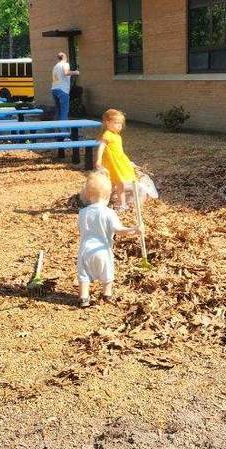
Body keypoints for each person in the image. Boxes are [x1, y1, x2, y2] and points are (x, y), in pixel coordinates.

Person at [76, 171, 139, 307]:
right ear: (108, 195)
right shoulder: (109, 213)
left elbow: (81, 230)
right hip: (103, 250)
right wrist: (134, 229)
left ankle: (84, 298)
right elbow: (119, 230)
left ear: (87, 194)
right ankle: (107, 293)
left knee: (84, 276)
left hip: (85, 250)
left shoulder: (82, 213)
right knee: (107, 273)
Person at [95, 108, 140, 211]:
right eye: (116, 123)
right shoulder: (107, 134)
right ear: (107, 122)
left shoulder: (117, 136)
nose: (119, 125)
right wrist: (98, 160)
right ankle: (116, 203)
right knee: (114, 183)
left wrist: (127, 162)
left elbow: (119, 151)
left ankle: (117, 203)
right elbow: (101, 147)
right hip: (112, 164)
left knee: (117, 183)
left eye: (120, 123)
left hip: (118, 163)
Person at [51, 51, 79, 120]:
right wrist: (76, 72)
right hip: (62, 90)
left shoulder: (55, 66)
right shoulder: (65, 64)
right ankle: (64, 130)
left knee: (58, 111)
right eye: (66, 57)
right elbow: (66, 72)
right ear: (64, 57)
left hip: (54, 89)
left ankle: (56, 128)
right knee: (64, 112)